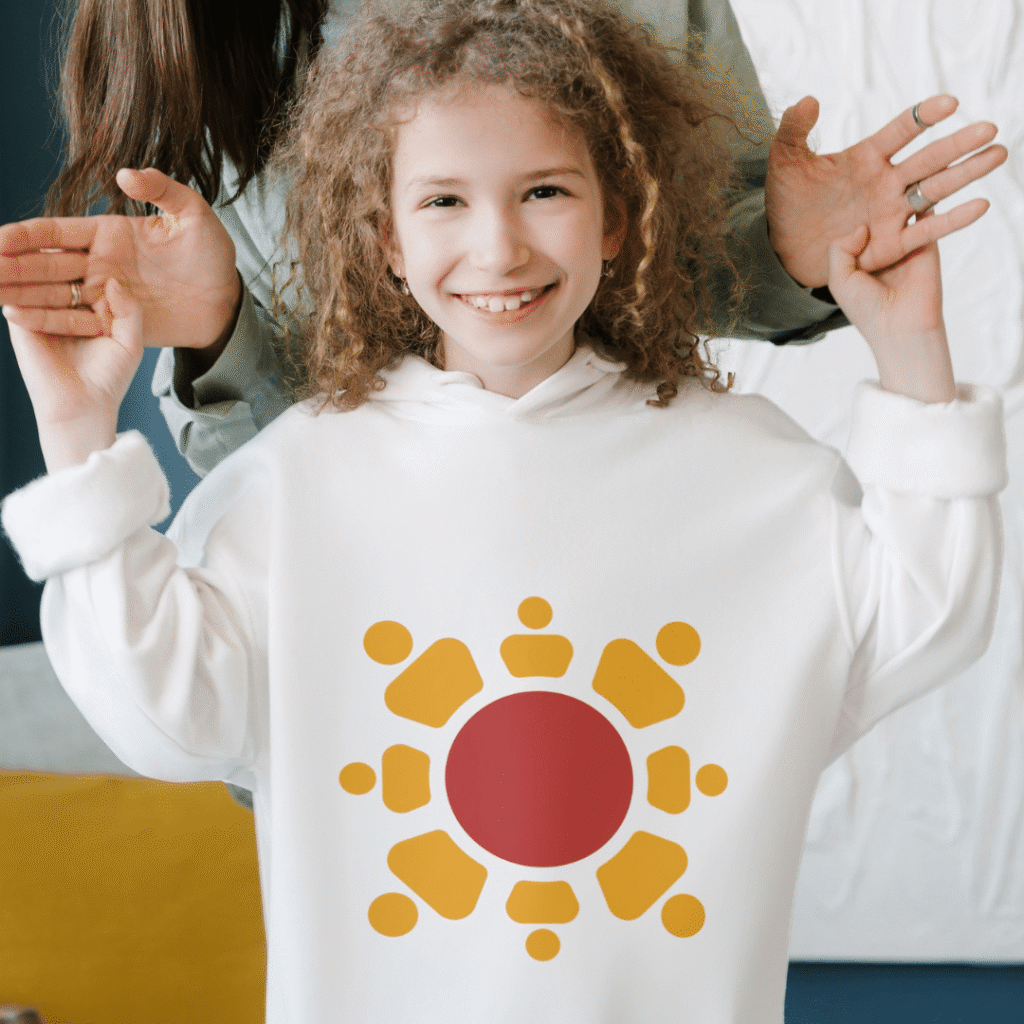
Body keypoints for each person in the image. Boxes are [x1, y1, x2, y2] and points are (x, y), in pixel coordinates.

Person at [0, 0, 1007, 1019]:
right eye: (442, 200)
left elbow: (928, 608)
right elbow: (162, 717)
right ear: (383, 236)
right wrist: (76, 434)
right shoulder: (292, 484)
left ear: (617, 212)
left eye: (545, 191)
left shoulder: (752, 474)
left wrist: (909, 342)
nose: (499, 248)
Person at [0, 0, 1007, 476]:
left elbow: (686, 268)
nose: (495, 251)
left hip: (610, 547)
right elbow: (256, 486)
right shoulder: (194, 39)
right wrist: (220, 333)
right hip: (361, 623)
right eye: (440, 207)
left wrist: (787, 251)